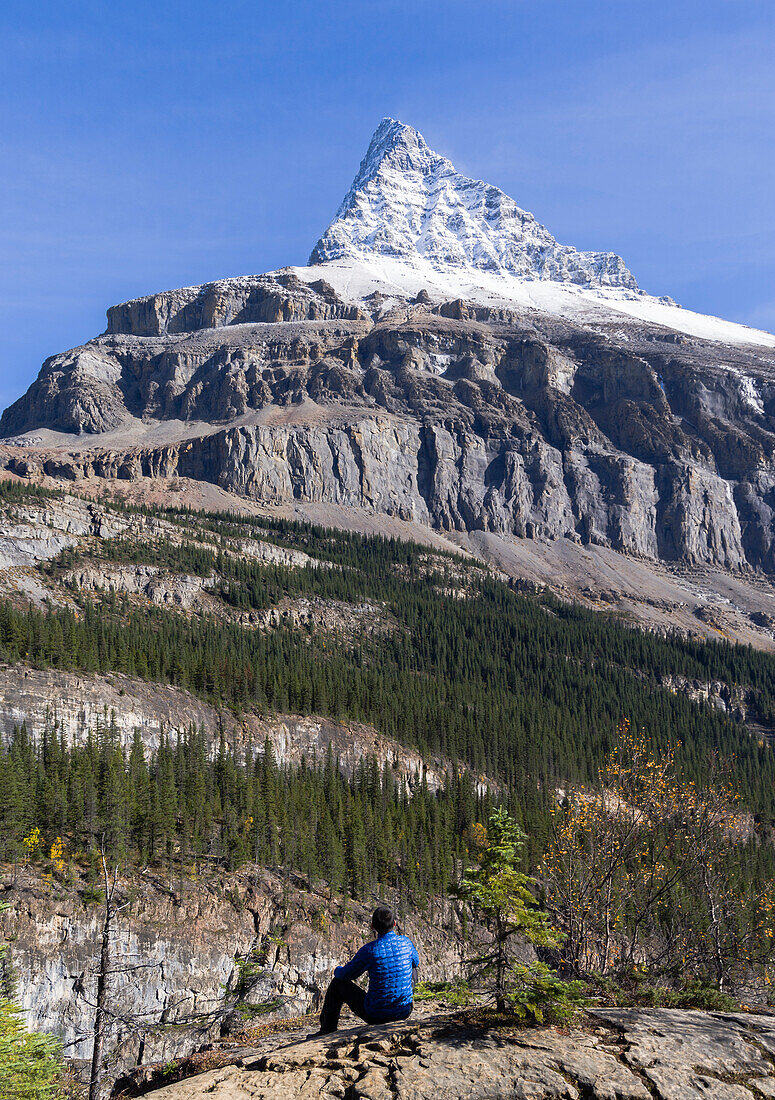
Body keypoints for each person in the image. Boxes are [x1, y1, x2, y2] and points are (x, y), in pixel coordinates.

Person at [313, 905, 419, 1035]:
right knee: (412, 966)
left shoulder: (370, 950)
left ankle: (327, 1029)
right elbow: (416, 962)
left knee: (337, 984)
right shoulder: (406, 942)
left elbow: (347, 975)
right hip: (404, 1011)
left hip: (376, 1015)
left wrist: (337, 969)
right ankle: (401, 999)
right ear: (394, 924)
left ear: (372, 926)